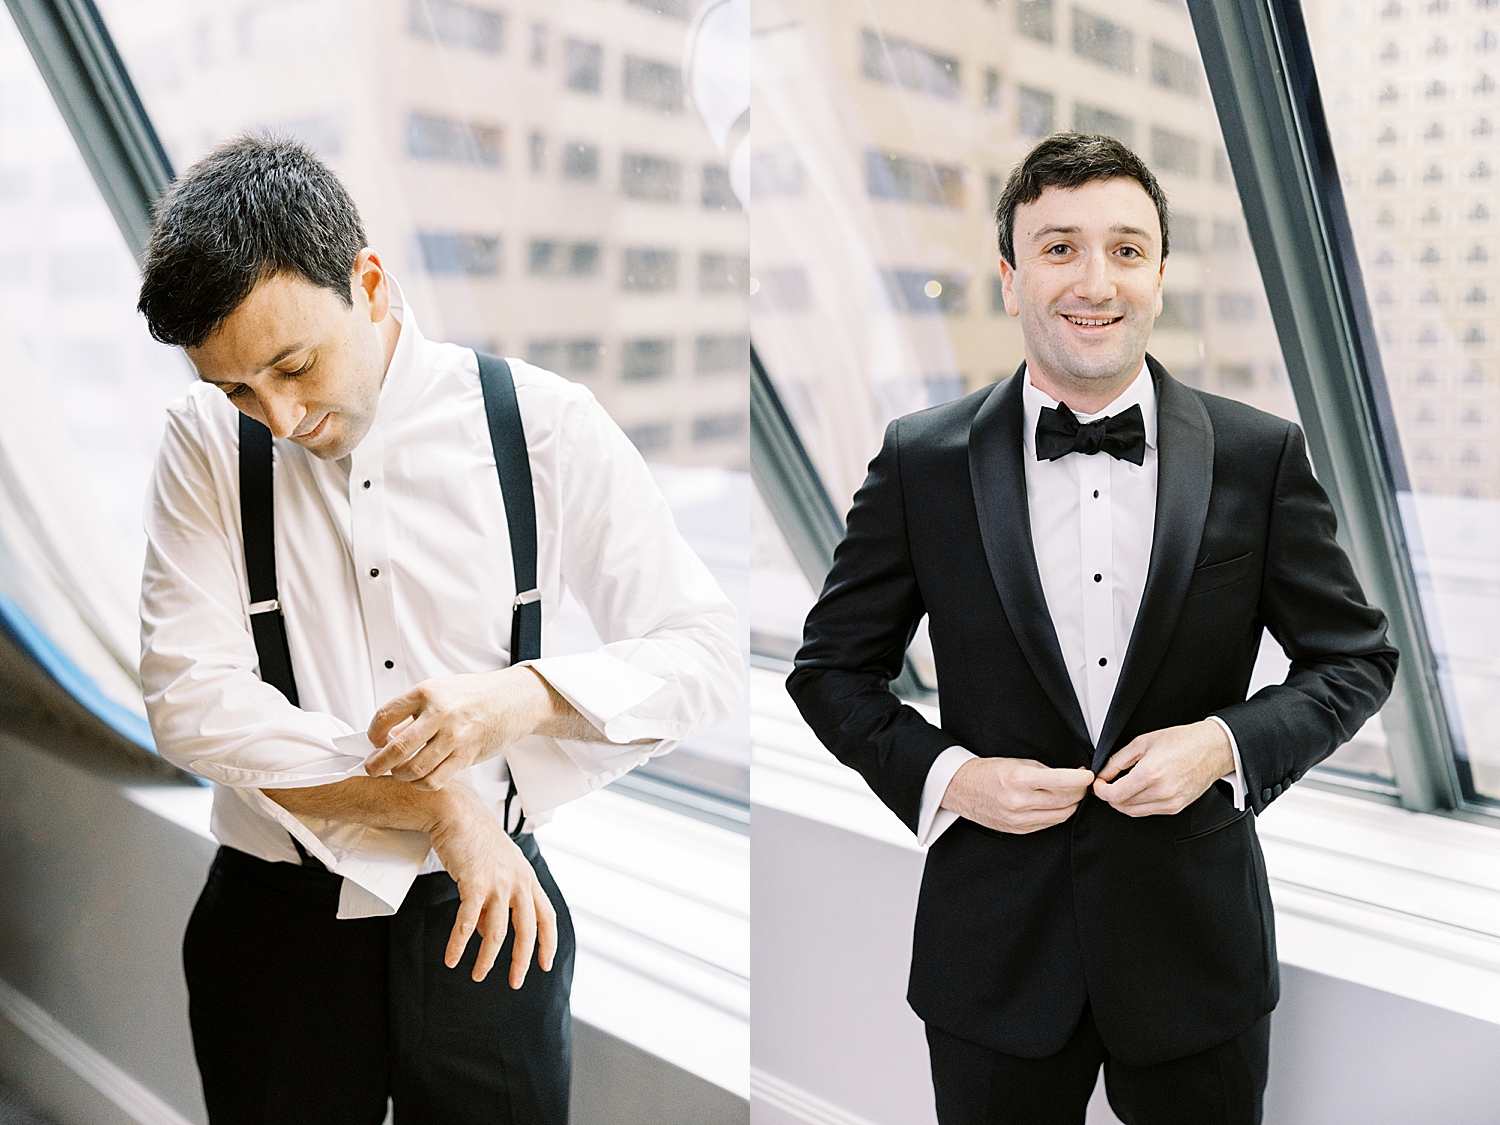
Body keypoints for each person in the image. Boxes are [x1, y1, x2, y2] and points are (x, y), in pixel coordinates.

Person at [786, 132, 1397, 1125]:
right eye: (1059, 247)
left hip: (1197, 958)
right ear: (1010, 276)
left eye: (1124, 248)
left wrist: (1224, 744)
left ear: (1159, 275)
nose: (1094, 279)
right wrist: (956, 779)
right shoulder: (920, 461)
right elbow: (829, 673)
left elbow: (1356, 657)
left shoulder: (1260, 455)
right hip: (993, 958)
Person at [136, 136, 742, 1124]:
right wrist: (436, 807)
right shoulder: (202, 443)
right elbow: (191, 705)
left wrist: (528, 697)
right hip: (275, 920)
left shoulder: (545, 424)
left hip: (492, 915)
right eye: (238, 388)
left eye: (293, 365)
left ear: (369, 283)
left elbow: (709, 654)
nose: (276, 418)